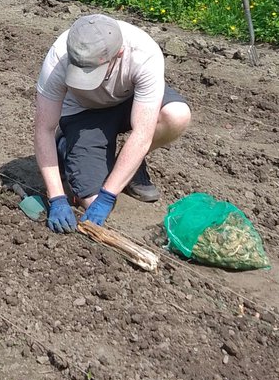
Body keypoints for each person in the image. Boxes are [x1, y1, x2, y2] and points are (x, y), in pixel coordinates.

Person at [34, 13, 191, 234]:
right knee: (90, 200)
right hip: (84, 111)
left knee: (177, 115)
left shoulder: (144, 53)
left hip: (130, 101)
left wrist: (108, 196)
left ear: (119, 54)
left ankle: (131, 167)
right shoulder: (59, 57)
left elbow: (142, 133)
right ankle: (66, 147)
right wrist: (57, 197)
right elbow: (44, 129)